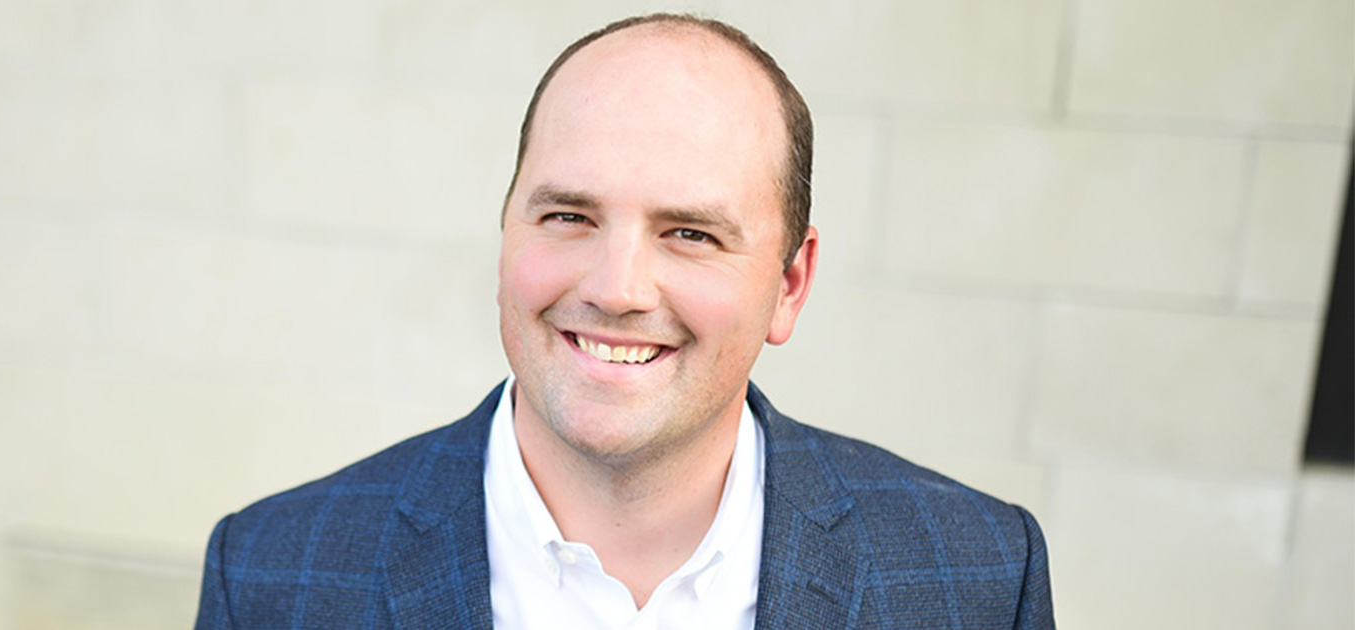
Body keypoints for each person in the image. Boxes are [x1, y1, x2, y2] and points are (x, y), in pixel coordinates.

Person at [194, 13, 1053, 629]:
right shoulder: (272, 575)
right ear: (507, 233)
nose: (616, 287)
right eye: (568, 216)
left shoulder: (976, 579)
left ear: (790, 284)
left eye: (690, 233)